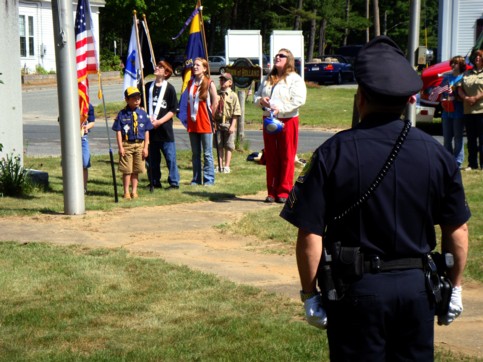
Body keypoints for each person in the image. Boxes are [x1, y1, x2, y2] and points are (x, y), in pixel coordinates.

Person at [280, 36, 470, 361]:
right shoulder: (436, 155)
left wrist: (310, 294)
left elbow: (310, 233)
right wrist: (454, 287)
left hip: (357, 290)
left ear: (361, 97)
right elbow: (457, 232)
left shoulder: (332, 154)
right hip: (416, 289)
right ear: (408, 100)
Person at [254, 48, 306, 203]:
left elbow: (299, 100)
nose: (277, 57)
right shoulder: (268, 78)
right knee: (271, 155)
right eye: (276, 55)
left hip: (287, 121)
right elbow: (257, 96)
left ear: (288, 59)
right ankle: (271, 191)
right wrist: (261, 101)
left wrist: (280, 109)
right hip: (269, 121)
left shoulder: (294, 78)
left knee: (287, 155)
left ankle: (284, 191)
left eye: (281, 55)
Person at [142, 60, 180, 189]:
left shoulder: (169, 88)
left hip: (164, 130)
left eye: (160, 67)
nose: (157, 68)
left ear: (166, 72)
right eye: (157, 66)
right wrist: (147, 118)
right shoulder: (147, 87)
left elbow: (173, 110)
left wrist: (159, 121)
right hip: (150, 130)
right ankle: (154, 181)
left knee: (170, 158)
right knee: (152, 159)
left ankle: (174, 182)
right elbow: (141, 105)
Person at [112, 86, 153, 199]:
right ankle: (126, 191)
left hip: (139, 145)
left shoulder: (143, 114)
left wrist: (146, 147)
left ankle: (134, 191)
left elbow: (146, 131)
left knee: (136, 170)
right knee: (127, 170)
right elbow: (118, 131)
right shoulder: (122, 114)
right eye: (133, 98)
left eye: (138, 98)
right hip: (127, 145)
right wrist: (120, 147)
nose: (137, 100)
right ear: (127, 99)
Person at [186, 57, 218, 186]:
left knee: (207, 153)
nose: (195, 67)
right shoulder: (190, 83)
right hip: (193, 122)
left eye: (198, 65)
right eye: (194, 65)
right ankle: (196, 179)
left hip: (205, 122)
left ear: (205, 68)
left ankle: (209, 179)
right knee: (195, 153)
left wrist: (212, 115)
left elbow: (215, 101)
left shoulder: (209, 83)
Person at [457, 49, 483, 170]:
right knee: (471, 139)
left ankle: (482, 164)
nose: (477, 58)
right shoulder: (467, 73)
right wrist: (466, 98)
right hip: (468, 111)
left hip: (481, 111)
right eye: (476, 56)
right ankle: (472, 164)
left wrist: (476, 97)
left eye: (479, 56)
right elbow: (459, 88)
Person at [440, 56, 466, 168]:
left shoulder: (464, 78)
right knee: (447, 137)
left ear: (461, 65)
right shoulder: (446, 78)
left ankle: (458, 162)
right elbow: (441, 92)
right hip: (447, 111)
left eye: (456, 63)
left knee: (458, 137)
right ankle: (448, 160)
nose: (453, 65)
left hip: (458, 111)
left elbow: (465, 94)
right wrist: (442, 100)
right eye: (452, 63)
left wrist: (457, 98)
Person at [214, 72, 241, 173]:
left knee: (229, 145)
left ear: (230, 82)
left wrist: (233, 125)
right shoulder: (216, 94)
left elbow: (236, 112)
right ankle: (220, 165)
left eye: (224, 80)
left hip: (229, 123)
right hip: (218, 122)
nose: (222, 82)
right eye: (221, 80)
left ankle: (227, 166)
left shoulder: (233, 96)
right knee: (219, 145)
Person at [82, 103, 95, 194]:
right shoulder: (68, 102)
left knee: (85, 162)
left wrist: (87, 126)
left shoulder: (88, 106)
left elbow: (92, 121)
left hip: (83, 138)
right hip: (70, 138)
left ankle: (84, 187)